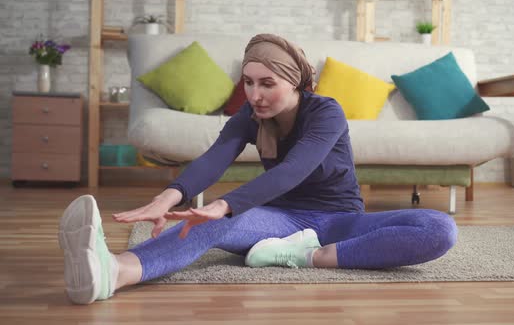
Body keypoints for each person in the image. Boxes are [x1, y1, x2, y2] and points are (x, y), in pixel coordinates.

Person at [58, 33, 457, 305]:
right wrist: (166, 198)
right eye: (248, 83)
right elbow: (213, 159)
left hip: (339, 221)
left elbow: (294, 170)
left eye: (266, 83)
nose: (254, 95)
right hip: (280, 220)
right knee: (209, 220)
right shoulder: (249, 117)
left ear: (294, 81)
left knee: (440, 229)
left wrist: (227, 203)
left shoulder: (326, 112)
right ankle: (113, 272)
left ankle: (306, 258)